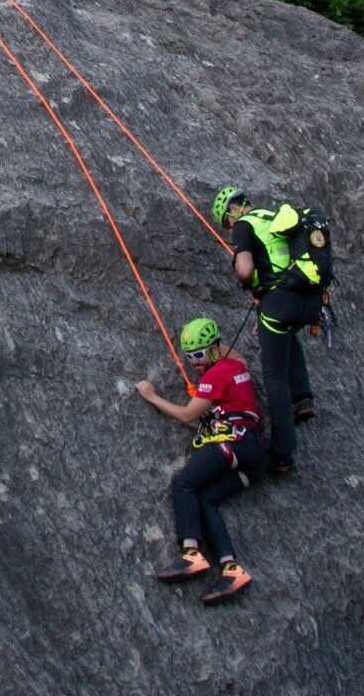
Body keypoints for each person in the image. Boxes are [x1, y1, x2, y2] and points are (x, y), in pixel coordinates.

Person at [135, 317, 265, 604]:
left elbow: (186, 415)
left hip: (234, 443)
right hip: (254, 455)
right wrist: (216, 345)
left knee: (183, 484)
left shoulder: (216, 375)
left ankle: (191, 554)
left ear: (214, 349)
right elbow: (238, 354)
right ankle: (231, 569)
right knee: (206, 498)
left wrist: (152, 396)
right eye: (189, 356)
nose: (194, 362)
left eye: (198, 354)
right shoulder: (237, 365)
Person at [213, 186, 332, 477]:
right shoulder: (273, 215)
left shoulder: (243, 225)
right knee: (287, 333)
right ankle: (303, 398)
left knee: (274, 376)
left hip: (280, 303)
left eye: (226, 222)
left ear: (231, 211)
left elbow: (244, 269)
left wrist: (246, 281)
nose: (229, 228)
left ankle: (282, 454)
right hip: (309, 300)